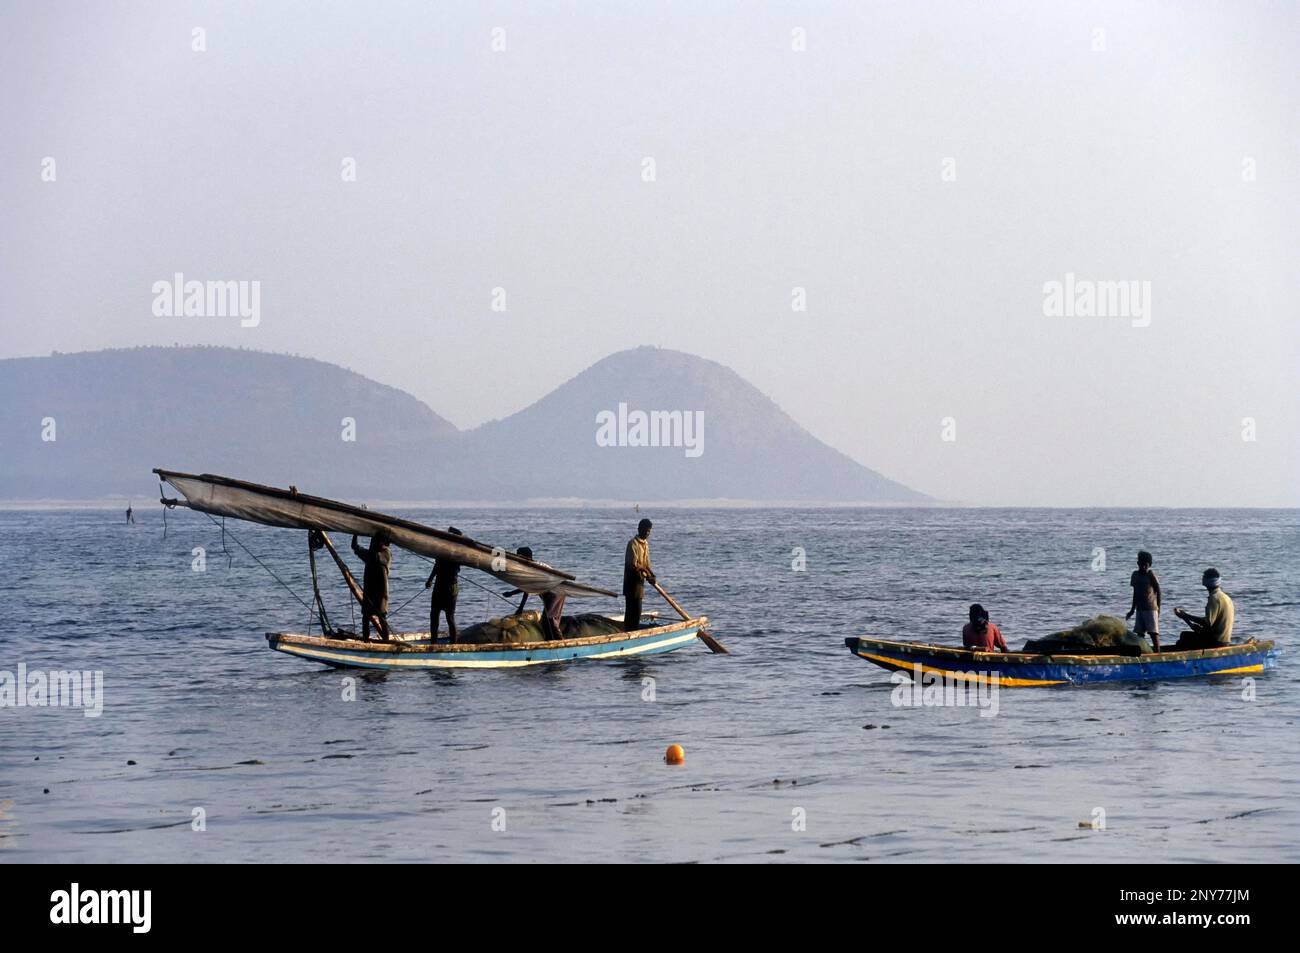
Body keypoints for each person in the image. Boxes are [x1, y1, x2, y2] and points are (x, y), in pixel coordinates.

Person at [1174, 568, 1235, 648]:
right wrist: (1186, 618)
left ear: (1206, 582)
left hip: (1216, 642)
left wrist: (1186, 615)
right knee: (1186, 635)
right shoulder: (1226, 597)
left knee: (1184, 636)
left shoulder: (1214, 599)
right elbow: (1211, 624)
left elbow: (1207, 622)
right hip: (1225, 640)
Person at [350, 531, 392, 640]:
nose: (373, 543)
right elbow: (354, 546)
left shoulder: (386, 554)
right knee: (365, 617)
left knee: (382, 617)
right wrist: (355, 533)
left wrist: (366, 550)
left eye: (375, 541)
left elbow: (376, 557)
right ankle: (366, 641)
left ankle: (386, 641)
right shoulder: (370, 555)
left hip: (381, 593)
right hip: (369, 591)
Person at [425, 527, 464, 643]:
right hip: (440, 585)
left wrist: (431, 579)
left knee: (449, 617)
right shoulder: (444, 550)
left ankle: (453, 643)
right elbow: (436, 566)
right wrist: (430, 579)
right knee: (434, 615)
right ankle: (433, 642)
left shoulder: (458, 552)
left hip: (450, 587)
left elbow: (439, 566)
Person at [1126, 550, 1162, 651]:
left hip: (1151, 608)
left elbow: (1158, 591)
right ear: (1138, 564)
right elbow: (1135, 593)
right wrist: (1132, 609)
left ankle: (1158, 654)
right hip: (1140, 609)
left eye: (1145, 565)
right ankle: (1142, 653)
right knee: (1140, 634)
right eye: (1140, 564)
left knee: (1153, 633)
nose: (1143, 567)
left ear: (1149, 565)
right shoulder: (1135, 575)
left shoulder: (1151, 575)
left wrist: (1159, 608)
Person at [622, 518, 655, 631]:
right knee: (631, 612)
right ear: (639, 529)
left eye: (649, 531)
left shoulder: (645, 544)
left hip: (639, 583)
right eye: (645, 530)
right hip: (631, 583)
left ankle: (633, 631)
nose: (647, 533)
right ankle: (628, 633)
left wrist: (652, 575)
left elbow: (647, 564)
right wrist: (646, 572)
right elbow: (634, 565)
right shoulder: (633, 544)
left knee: (637, 612)